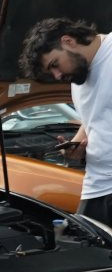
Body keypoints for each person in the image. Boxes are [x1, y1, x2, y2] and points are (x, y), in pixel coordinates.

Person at [19, 18, 112, 224]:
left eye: (55, 64)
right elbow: (92, 121)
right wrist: (76, 146)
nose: (58, 75)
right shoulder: (77, 79)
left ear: (68, 41)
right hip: (97, 186)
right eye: (51, 72)